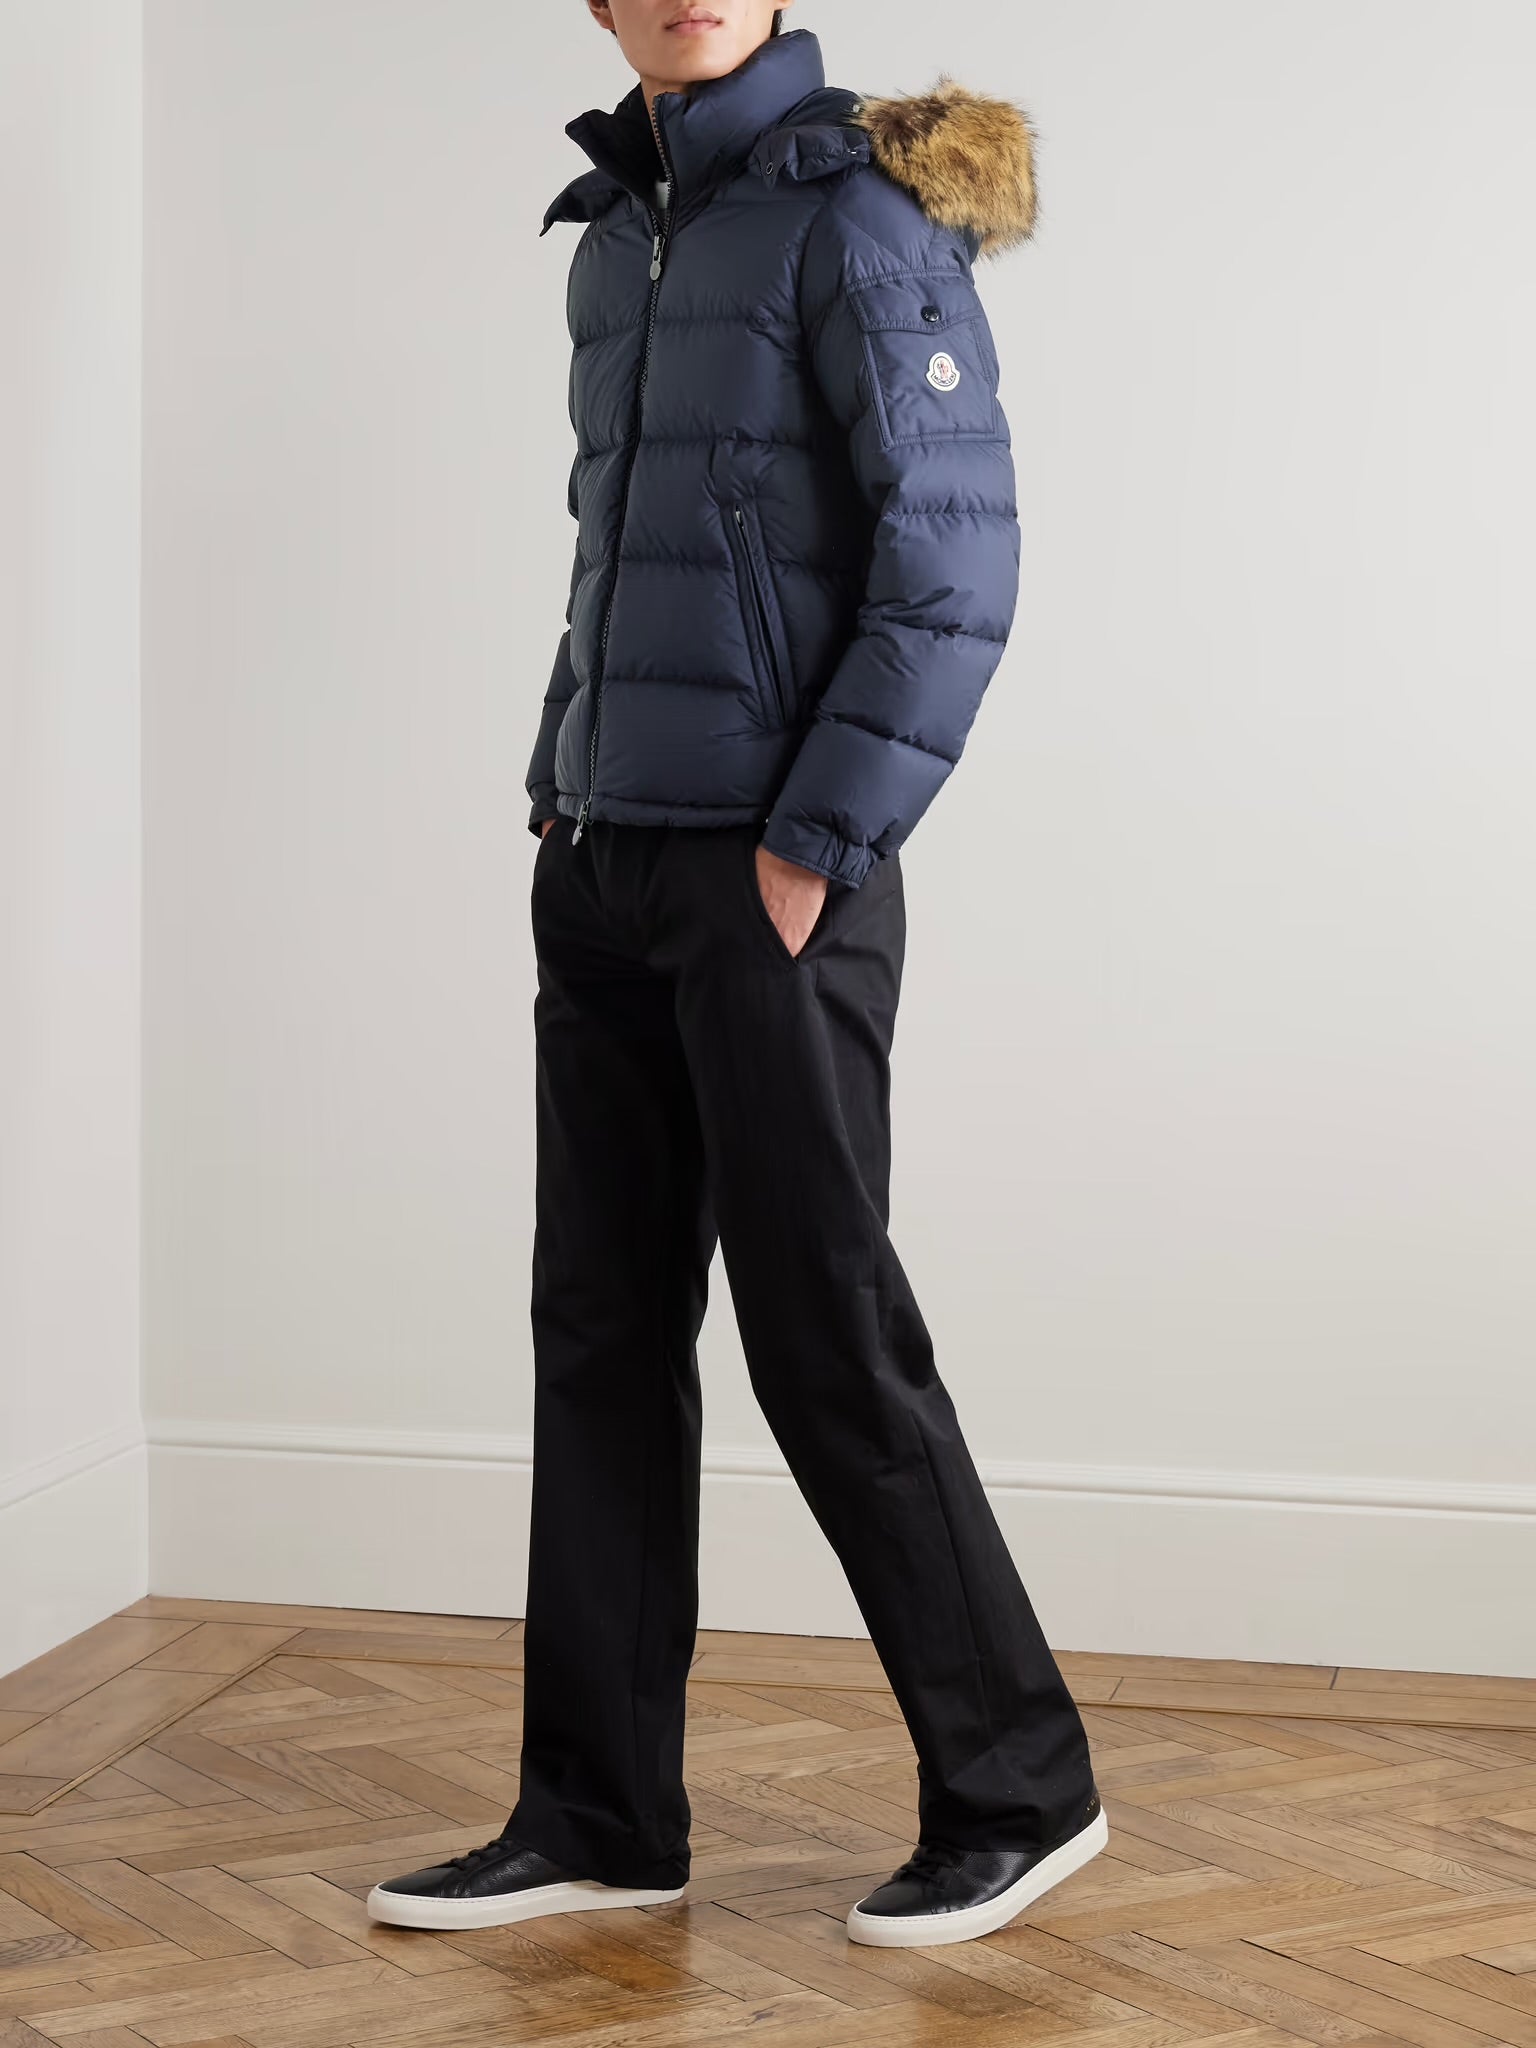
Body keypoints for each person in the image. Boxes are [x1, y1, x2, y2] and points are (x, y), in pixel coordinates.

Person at [369, 0, 1105, 1949]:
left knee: (821, 1326)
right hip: (610, 855)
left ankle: (1019, 1784)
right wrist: (564, 771)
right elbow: (620, 541)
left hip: (775, 872)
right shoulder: (619, 234)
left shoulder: (860, 209)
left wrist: (814, 841)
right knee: (602, 1332)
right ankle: (599, 1812)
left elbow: (954, 562)